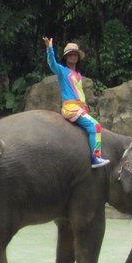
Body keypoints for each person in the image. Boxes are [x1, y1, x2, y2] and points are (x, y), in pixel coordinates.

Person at [44, 37, 109, 168]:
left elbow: (79, 93)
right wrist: (49, 49)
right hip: (71, 108)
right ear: (66, 57)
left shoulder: (78, 74)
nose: (73, 56)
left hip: (80, 108)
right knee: (95, 126)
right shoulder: (62, 71)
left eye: (75, 54)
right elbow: (52, 64)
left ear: (78, 57)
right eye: (70, 54)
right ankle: (96, 157)